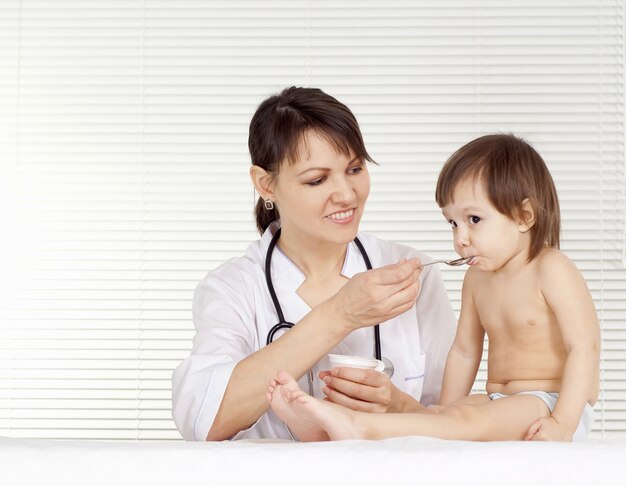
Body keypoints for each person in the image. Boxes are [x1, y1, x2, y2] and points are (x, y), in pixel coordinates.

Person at [267, 133, 600, 442]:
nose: (460, 238)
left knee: (467, 425)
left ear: (524, 216)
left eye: (474, 220)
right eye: (452, 223)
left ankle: (357, 426)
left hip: (551, 402)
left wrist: (562, 424)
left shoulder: (551, 269)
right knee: (447, 418)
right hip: (502, 399)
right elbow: (464, 351)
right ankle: (321, 430)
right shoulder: (478, 278)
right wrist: (446, 409)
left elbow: (584, 348)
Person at [171, 86, 457, 441]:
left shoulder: (408, 271)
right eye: (317, 179)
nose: (347, 194)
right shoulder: (234, 287)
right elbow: (204, 419)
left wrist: (397, 405)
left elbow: (453, 422)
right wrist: (340, 315)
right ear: (265, 184)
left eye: (354, 169)